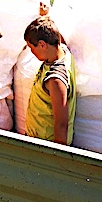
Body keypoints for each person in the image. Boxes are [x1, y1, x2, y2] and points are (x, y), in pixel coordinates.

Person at [23, 14, 77, 146]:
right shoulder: (63, 51)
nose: (31, 52)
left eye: (32, 48)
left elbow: (61, 124)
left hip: (45, 145)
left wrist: (56, 159)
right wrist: (44, 17)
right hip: (37, 141)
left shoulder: (55, 79)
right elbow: (59, 39)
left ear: (42, 44)